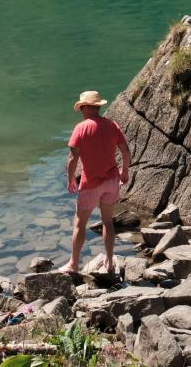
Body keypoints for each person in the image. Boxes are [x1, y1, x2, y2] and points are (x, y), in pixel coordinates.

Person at [62, 89, 132, 278]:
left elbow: (72, 158)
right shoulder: (112, 125)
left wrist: (70, 179)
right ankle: (109, 262)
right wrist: (124, 171)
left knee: (80, 224)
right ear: (97, 107)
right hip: (111, 181)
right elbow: (125, 151)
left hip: (91, 184)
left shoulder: (80, 128)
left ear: (84, 108)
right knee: (107, 222)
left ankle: (73, 264)